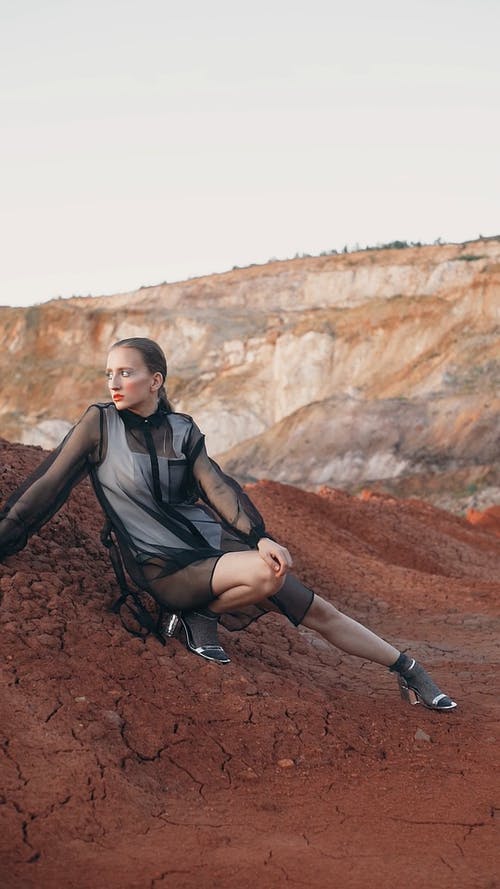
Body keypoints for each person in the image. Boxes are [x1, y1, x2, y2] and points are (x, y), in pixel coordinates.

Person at [0, 337, 456, 711]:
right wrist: (7, 535)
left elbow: (217, 487)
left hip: (209, 546)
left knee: (317, 610)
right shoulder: (99, 424)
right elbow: (47, 487)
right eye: (109, 373)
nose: (114, 381)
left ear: (155, 379)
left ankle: (408, 669)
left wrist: (259, 535)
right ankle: (192, 610)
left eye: (126, 372)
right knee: (266, 572)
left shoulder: (183, 430)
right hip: (161, 564)